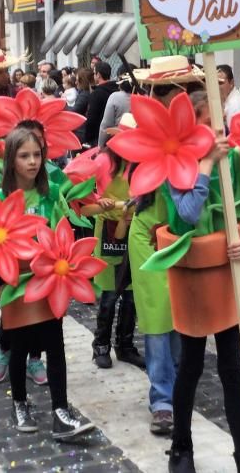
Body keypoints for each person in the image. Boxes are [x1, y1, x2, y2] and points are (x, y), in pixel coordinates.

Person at [167, 94, 240, 473]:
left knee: (231, 369)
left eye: (219, 123)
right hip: (192, 280)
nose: (216, 132)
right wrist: (206, 165)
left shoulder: (236, 161)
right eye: (207, 124)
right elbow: (187, 214)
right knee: (189, 366)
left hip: (226, 278)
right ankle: (180, 448)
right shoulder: (178, 165)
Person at [0, 127, 94, 439]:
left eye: (37, 155)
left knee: (55, 344)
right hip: (15, 281)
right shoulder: (0, 199)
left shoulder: (51, 194)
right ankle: (20, 403)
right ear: (11, 161)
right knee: (20, 346)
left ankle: (60, 410)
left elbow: (64, 229)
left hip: (49, 281)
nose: (33, 162)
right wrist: (1, 281)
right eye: (24, 156)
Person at [124, 57, 206, 436]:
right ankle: (162, 399)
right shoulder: (144, 129)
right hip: (148, 236)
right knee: (159, 317)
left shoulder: (202, 129)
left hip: (182, 237)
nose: (163, 98)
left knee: (182, 315)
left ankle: (178, 386)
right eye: (157, 91)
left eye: (171, 91)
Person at [85, 116, 144, 370]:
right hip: (108, 233)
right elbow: (81, 204)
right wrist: (101, 202)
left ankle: (125, 345)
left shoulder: (144, 164)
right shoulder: (102, 162)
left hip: (135, 233)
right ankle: (101, 346)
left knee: (131, 296)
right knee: (109, 295)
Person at [97, 67, 133, 149]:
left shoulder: (115, 97)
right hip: (139, 143)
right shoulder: (144, 96)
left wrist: (100, 146)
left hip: (119, 143)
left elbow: (106, 125)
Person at [85, 62, 118, 148]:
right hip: (115, 134)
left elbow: (92, 118)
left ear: (98, 75)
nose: (93, 75)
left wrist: (88, 138)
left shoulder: (97, 94)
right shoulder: (117, 90)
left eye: (94, 73)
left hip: (98, 137)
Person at [217, 64, 240, 131]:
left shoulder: (235, 104)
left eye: (220, 83)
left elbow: (236, 136)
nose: (217, 87)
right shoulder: (228, 100)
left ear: (231, 83)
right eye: (214, 83)